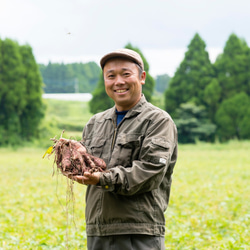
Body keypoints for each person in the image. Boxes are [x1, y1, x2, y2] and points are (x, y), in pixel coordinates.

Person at [71, 48, 178, 250]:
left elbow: (150, 171)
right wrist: (73, 158)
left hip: (138, 232)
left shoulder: (158, 121)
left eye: (126, 74)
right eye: (111, 76)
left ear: (142, 77)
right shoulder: (95, 123)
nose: (118, 82)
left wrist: (103, 179)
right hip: (98, 230)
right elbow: (87, 168)